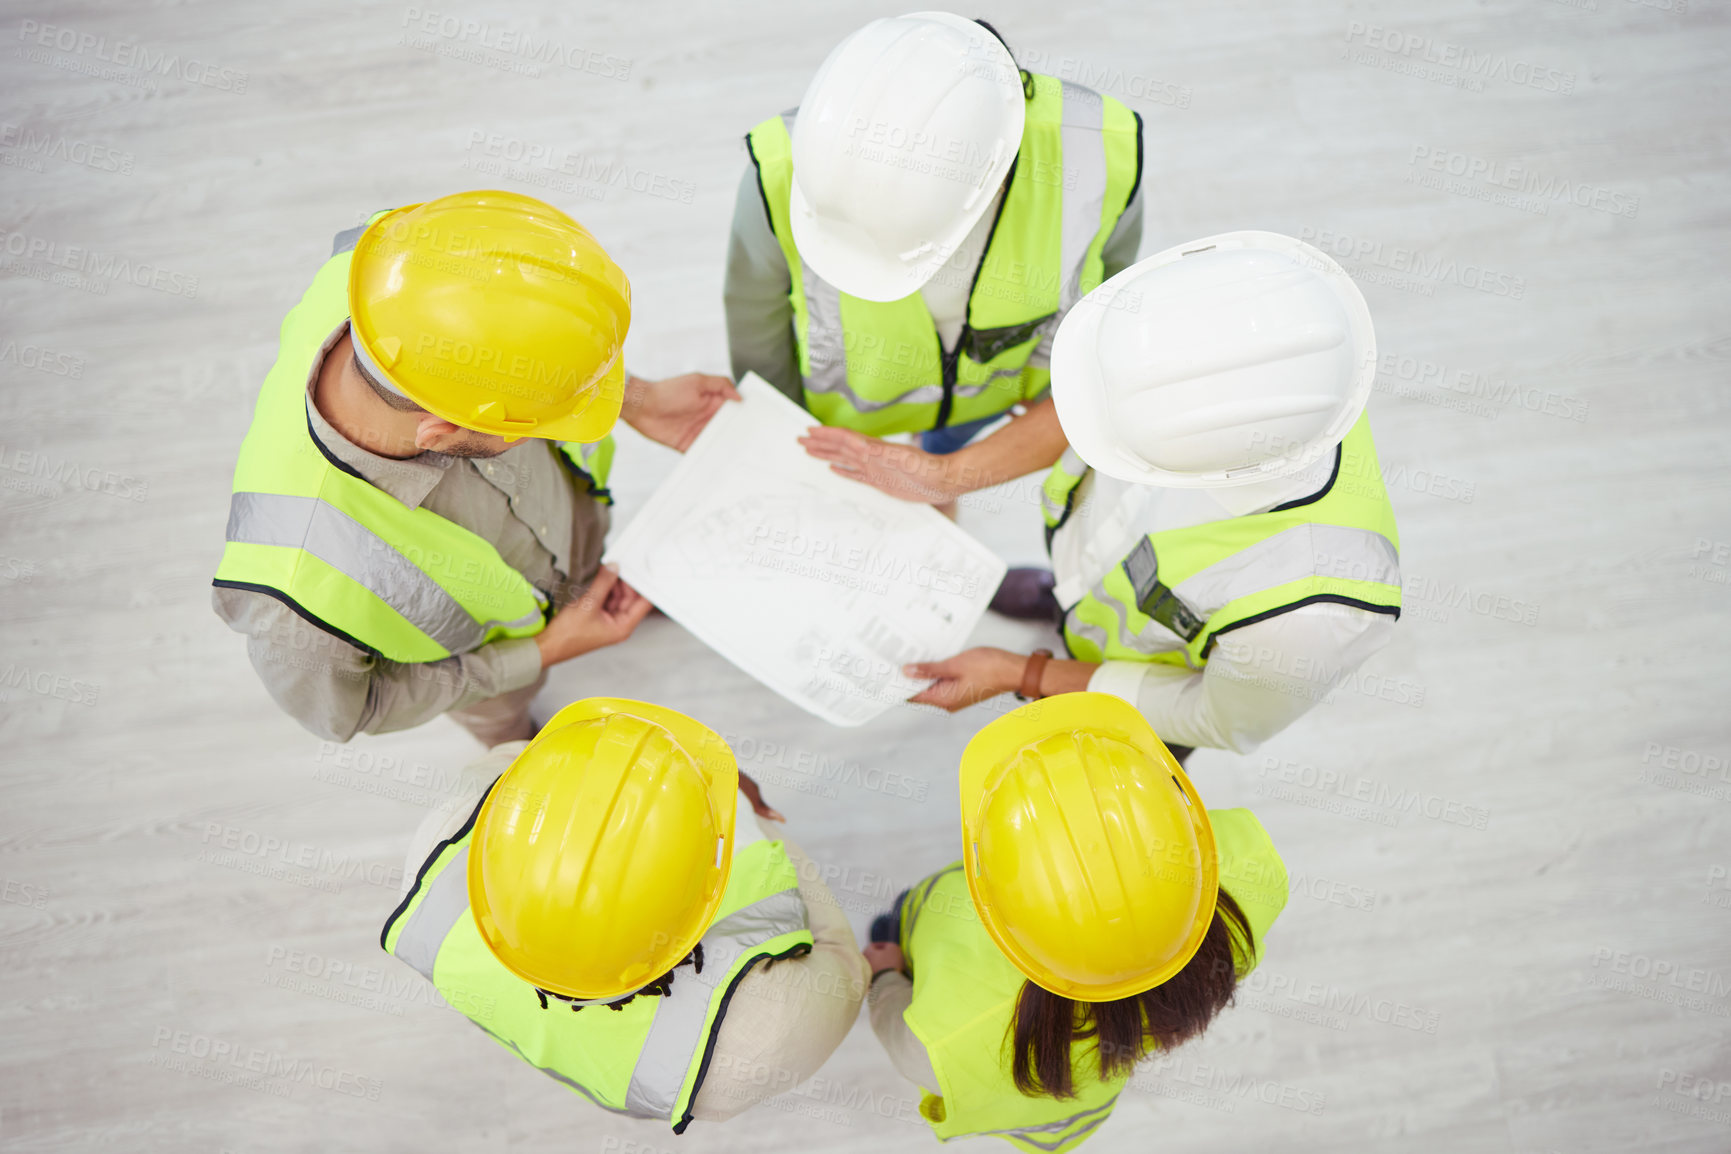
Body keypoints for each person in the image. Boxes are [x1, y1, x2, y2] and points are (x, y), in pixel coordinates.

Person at [211, 190, 739, 745]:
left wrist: (638, 398)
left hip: (570, 537)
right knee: (507, 732)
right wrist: (545, 652)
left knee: (587, 574)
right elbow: (354, 711)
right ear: (443, 433)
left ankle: (588, 593)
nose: (541, 430)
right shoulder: (293, 600)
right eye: (530, 426)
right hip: (488, 674)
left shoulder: (400, 262)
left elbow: (519, 340)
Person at [905, 231, 1403, 763]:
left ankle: (1073, 628)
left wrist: (1025, 673)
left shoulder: (1309, 619)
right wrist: (947, 473)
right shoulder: (1268, 340)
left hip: (1148, 684)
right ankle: (1064, 600)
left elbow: (1209, 715)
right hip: (1106, 571)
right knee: (1091, 597)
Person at [381, 697, 868, 1130]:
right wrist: (740, 807)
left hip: (599, 1065)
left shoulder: (441, 838)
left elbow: (519, 761)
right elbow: (845, 963)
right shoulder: (764, 1038)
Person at [724, 12, 1145, 504]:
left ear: (997, 176)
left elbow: (1109, 292)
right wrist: (783, 430)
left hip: (988, 397)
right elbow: (754, 316)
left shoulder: (1097, 152)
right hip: (851, 419)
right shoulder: (785, 171)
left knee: (926, 482)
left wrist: (948, 473)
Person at [864, 693, 1288, 1152]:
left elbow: (900, 1035)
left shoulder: (948, 1036)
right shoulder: (1244, 872)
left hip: (1027, 1103)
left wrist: (887, 975)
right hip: (1082, 1098)